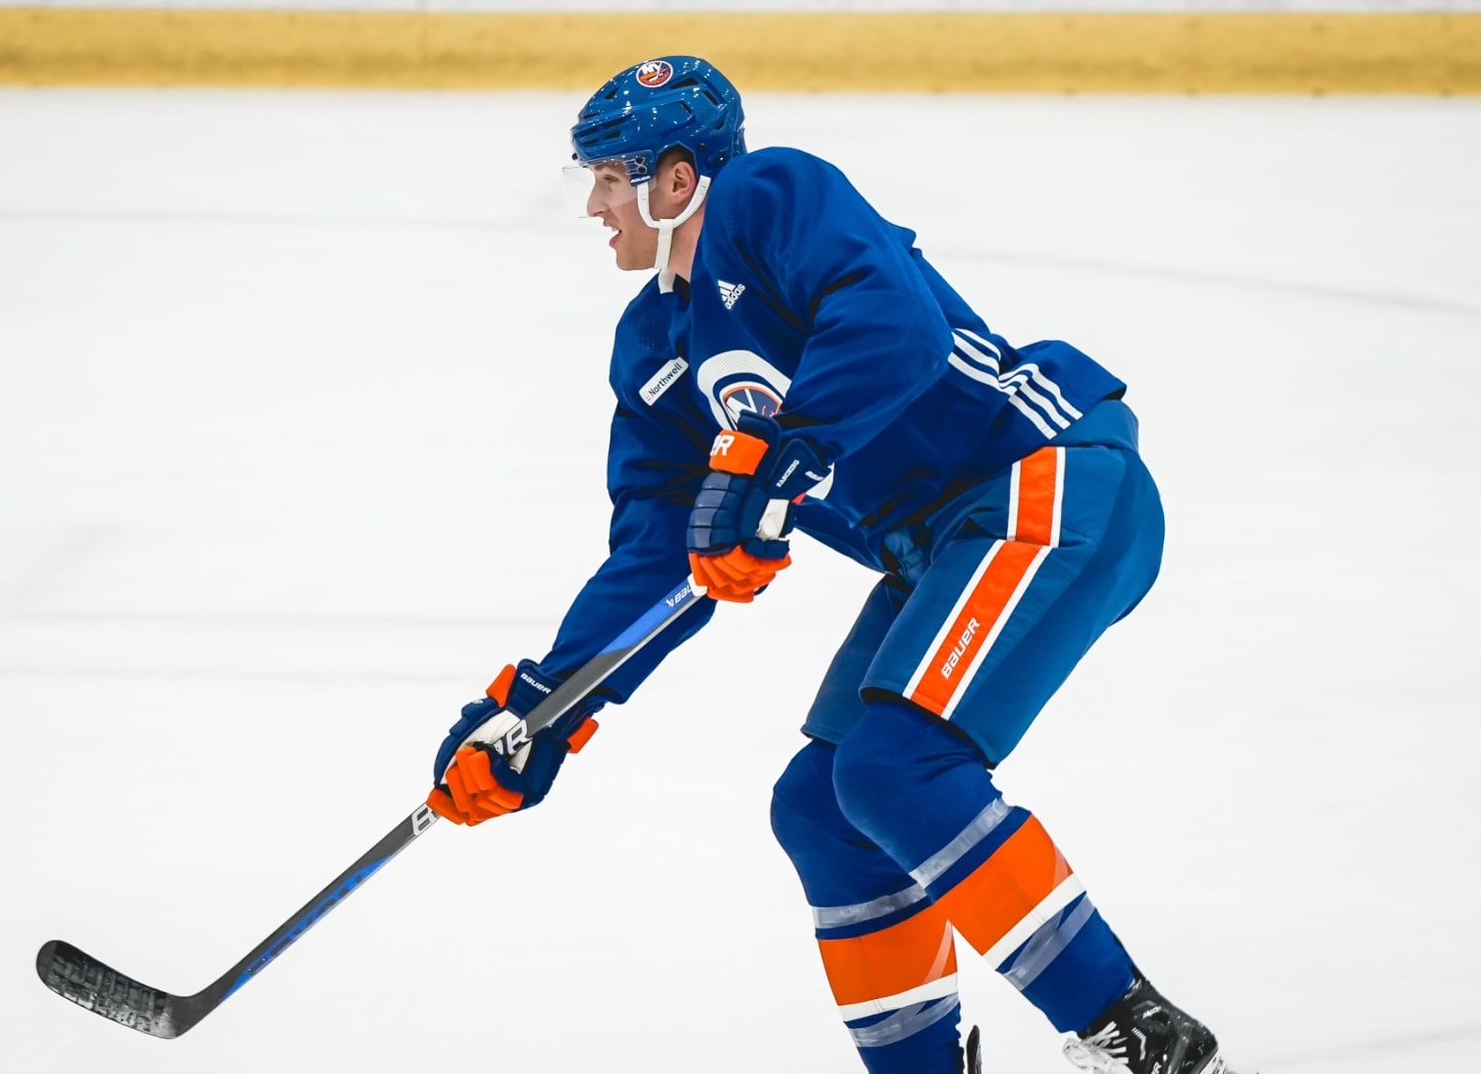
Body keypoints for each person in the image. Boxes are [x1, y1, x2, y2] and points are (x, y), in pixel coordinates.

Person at [425, 55, 1236, 1074]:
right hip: (943, 544)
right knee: (822, 809)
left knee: (894, 771)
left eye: (609, 177)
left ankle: (1145, 1045)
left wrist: (782, 457)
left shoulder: (771, 195)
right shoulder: (655, 352)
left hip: (1046, 476)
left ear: (677, 180)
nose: (594, 206)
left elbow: (892, 324)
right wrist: (545, 706)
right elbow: (658, 555)